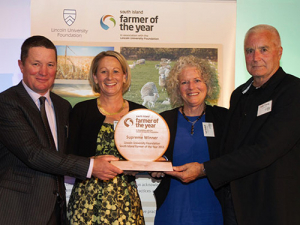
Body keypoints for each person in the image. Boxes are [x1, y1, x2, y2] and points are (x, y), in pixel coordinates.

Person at [173, 24, 300, 225]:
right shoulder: (239, 94)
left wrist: (204, 169)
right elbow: (228, 147)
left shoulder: (293, 91)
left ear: (279, 52)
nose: (256, 57)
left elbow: (266, 150)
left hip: (273, 205)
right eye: (249, 51)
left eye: (263, 49)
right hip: (236, 205)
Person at [0, 36, 122, 225]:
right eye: (36, 64)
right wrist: (91, 166)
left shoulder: (63, 106)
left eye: (50, 64)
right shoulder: (7, 103)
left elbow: (66, 153)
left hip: (56, 211)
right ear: (21, 65)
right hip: (19, 210)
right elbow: (33, 154)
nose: (43, 72)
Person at [66, 50, 145, 225]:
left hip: (126, 204)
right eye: (103, 71)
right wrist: (92, 163)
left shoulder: (141, 113)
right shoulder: (80, 111)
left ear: (124, 76)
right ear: (95, 77)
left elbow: (150, 153)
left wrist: (150, 163)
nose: (110, 77)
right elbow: (67, 158)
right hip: (85, 203)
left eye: (116, 71)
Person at [152, 55, 228, 225]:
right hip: (171, 211)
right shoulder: (163, 120)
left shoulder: (225, 119)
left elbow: (233, 161)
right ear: (177, 88)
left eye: (197, 80)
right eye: (184, 82)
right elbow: (152, 157)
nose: (191, 87)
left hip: (214, 211)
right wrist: (155, 164)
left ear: (207, 84)